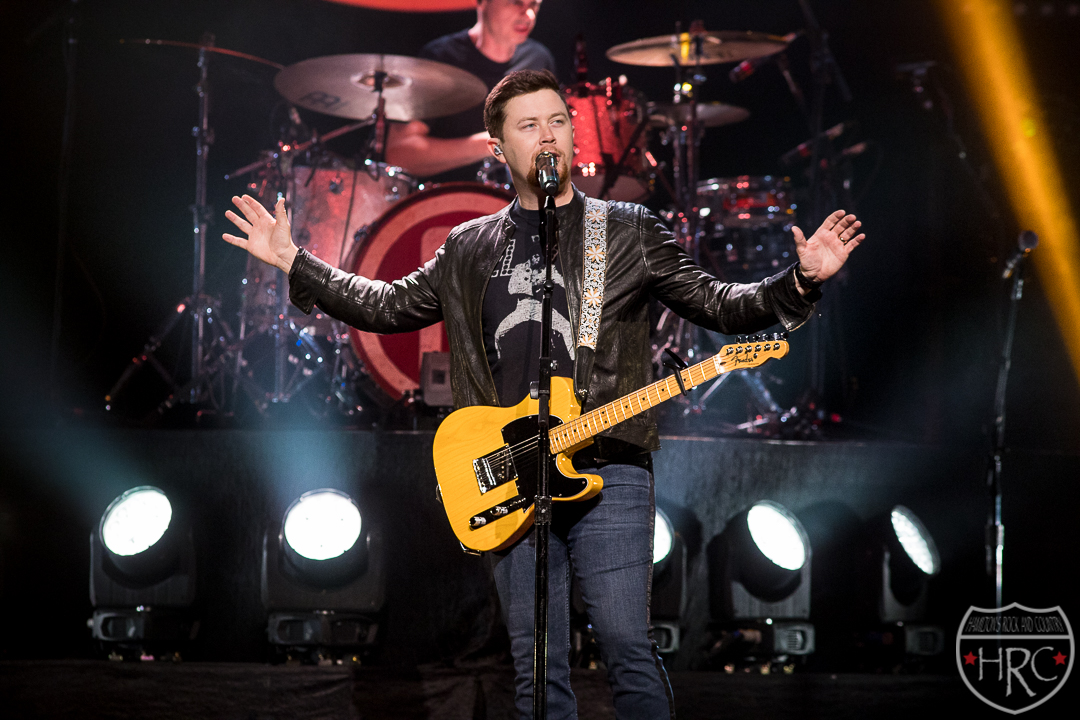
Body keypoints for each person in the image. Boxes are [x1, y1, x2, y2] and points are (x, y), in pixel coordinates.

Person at [224, 70, 864, 720]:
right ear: (498, 147)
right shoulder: (469, 246)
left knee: (627, 645)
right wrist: (298, 263)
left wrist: (799, 282)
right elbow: (387, 305)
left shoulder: (627, 230)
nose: (548, 135)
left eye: (558, 120)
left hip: (610, 466)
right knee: (536, 663)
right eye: (529, 125)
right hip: (511, 475)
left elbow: (719, 304)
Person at [384, 0, 554, 181]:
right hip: (449, 194)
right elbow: (400, 154)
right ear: (482, 2)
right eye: (516, 2)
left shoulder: (539, 60)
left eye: (534, 4)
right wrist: (494, 143)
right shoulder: (440, 58)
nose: (529, 15)